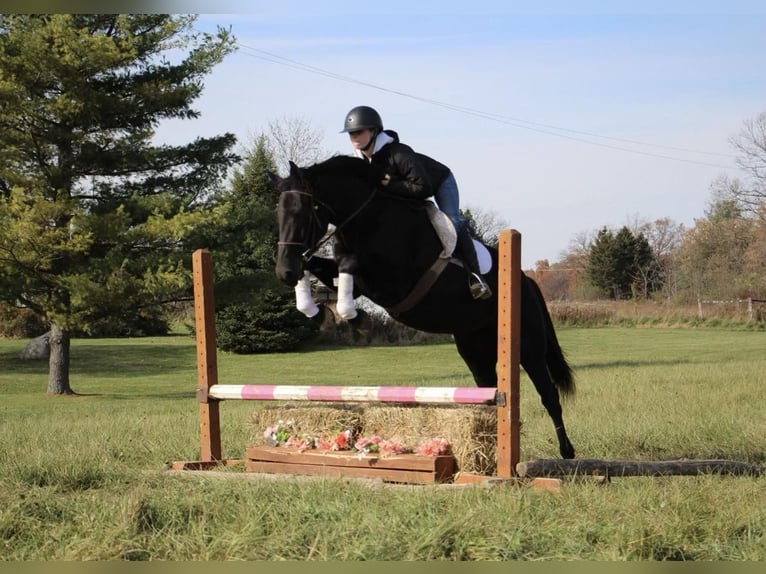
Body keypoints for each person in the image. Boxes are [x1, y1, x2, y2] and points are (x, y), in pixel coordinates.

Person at [341, 105, 491, 300]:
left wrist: (392, 184)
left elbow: (423, 189)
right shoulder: (361, 162)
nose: (354, 137)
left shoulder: (398, 153)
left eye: (358, 132)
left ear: (373, 131)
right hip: (407, 191)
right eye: (351, 133)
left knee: (452, 221)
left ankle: (476, 277)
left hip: (439, 182)